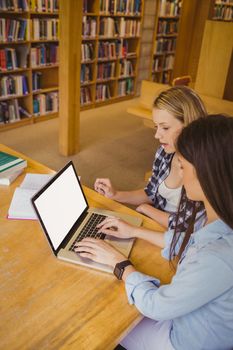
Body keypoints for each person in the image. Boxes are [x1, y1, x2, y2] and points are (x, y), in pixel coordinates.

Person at [75, 115, 233, 350]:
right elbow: (188, 243)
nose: (178, 173)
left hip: (183, 341)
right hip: (188, 317)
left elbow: (157, 307)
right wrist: (134, 231)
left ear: (207, 174)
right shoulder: (217, 217)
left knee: (99, 321)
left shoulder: (217, 256)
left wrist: (120, 264)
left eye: (182, 166)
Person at [94, 86, 207, 230]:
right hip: (158, 224)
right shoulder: (164, 152)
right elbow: (151, 193)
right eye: (156, 127)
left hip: (183, 239)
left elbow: (187, 225)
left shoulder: (203, 165)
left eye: (165, 128)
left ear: (190, 125)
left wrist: (147, 209)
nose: (157, 135)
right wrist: (116, 194)